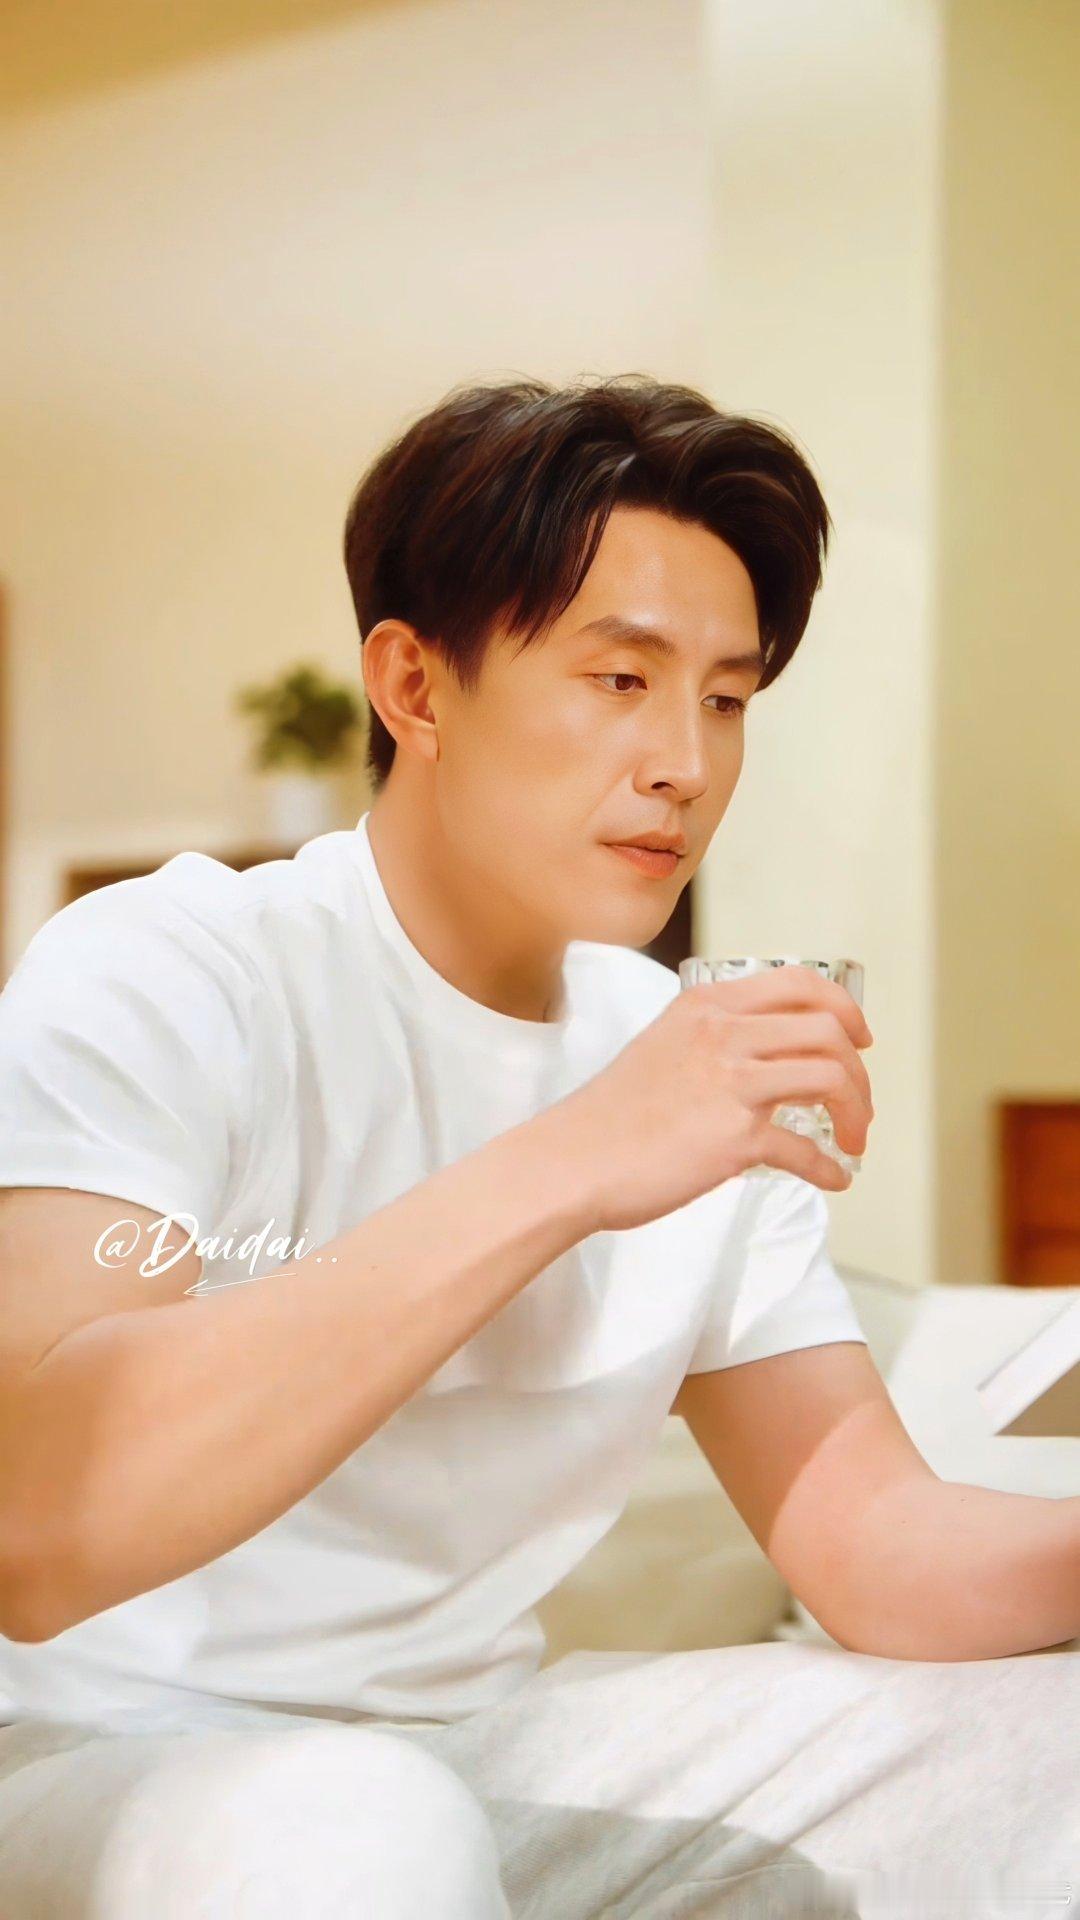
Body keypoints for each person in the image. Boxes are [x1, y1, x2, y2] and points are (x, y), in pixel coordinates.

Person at [0, 374, 1075, 1918]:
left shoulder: (684, 1058)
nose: (684, 762)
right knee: (353, 1825)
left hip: (480, 1747)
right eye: (619, 678)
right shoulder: (175, 970)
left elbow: (879, 1550)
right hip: (92, 1752)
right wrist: (579, 1157)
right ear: (415, 686)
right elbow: (38, 1523)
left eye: (725, 699)